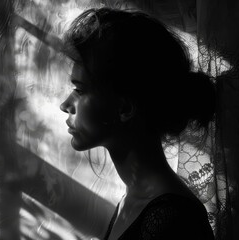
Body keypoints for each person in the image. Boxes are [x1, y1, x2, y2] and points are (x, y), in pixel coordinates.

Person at [59, 7, 216, 240]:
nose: (65, 105)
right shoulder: (137, 201)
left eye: (80, 90)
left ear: (125, 108)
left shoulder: (171, 221)